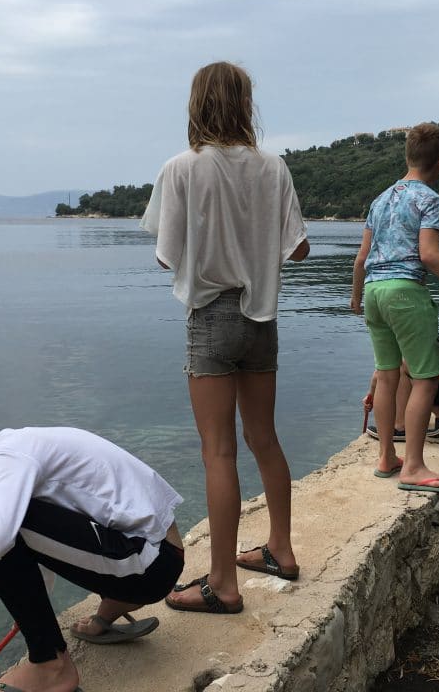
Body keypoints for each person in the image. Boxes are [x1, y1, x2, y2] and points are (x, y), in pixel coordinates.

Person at [140, 61, 309, 615]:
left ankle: (221, 583)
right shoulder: (274, 166)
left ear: (197, 104)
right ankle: (281, 549)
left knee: (218, 451)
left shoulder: (182, 169)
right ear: (245, 104)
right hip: (262, 318)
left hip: (212, 316)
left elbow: (167, 254)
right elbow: (299, 247)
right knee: (265, 438)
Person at [0, 404, 185, 692]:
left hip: (149, 565)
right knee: (9, 519)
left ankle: (49, 667)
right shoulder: (18, 446)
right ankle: (113, 604)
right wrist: (30, 610)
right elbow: (47, 540)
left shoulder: (7, 461)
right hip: (160, 553)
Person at [350, 123, 439, 493]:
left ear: (407, 155)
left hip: (374, 292)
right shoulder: (429, 199)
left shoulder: (380, 200)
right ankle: (413, 466)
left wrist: (355, 297)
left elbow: (362, 257)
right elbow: (430, 254)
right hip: (404, 293)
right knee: (425, 377)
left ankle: (386, 457)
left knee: (386, 375)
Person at [362, 337, 439, 442]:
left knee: (400, 367)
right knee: (407, 370)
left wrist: (371, 393)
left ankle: (401, 427)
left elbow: (384, 371)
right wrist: (371, 394)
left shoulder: (406, 335)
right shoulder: (419, 329)